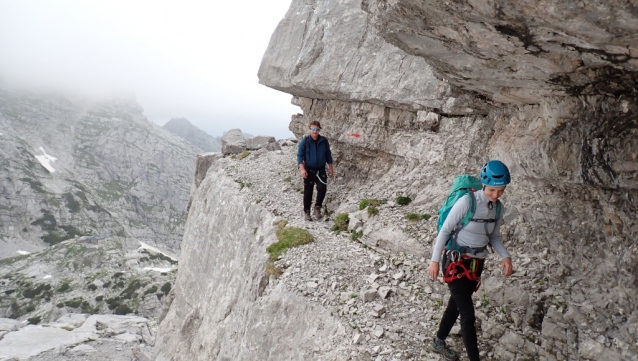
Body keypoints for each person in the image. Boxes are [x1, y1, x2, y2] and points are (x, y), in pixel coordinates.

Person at [427, 160, 514, 361]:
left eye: (501, 191)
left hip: (476, 265)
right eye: (493, 190)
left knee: (455, 306)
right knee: (468, 315)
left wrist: (505, 256)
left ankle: (438, 341)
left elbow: (494, 236)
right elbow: (446, 230)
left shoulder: (497, 208)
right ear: (484, 184)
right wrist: (435, 260)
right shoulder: (468, 202)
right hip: (455, 263)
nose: (496, 195)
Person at [297, 121, 334, 221]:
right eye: (313, 129)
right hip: (308, 170)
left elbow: (328, 155)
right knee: (308, 191)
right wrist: (302, 169)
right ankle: (307, 212)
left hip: (321, 170)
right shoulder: (305, 141)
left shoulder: (324, 141)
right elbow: (300, 155)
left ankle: (317, 207)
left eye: (317, 129)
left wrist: (330, 168)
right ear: (310, 129)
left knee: (322, 188)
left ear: (319, 130)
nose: (315, 131)